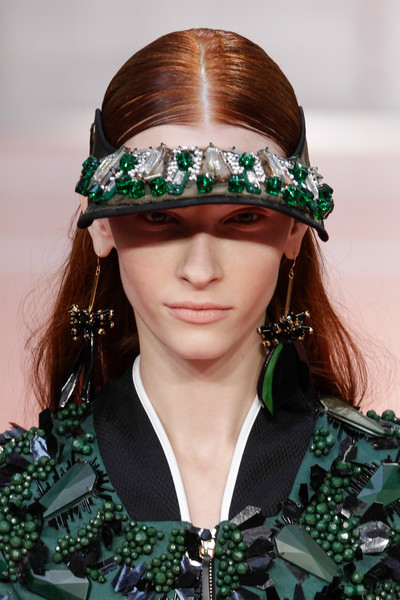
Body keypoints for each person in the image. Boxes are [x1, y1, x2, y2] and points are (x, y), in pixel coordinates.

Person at [0, 28, 399, 600]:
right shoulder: (14, 507)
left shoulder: (387, 486)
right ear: (102, 226)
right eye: (159, 216)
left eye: (243, 217)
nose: (200, 268)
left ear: (294, 231)